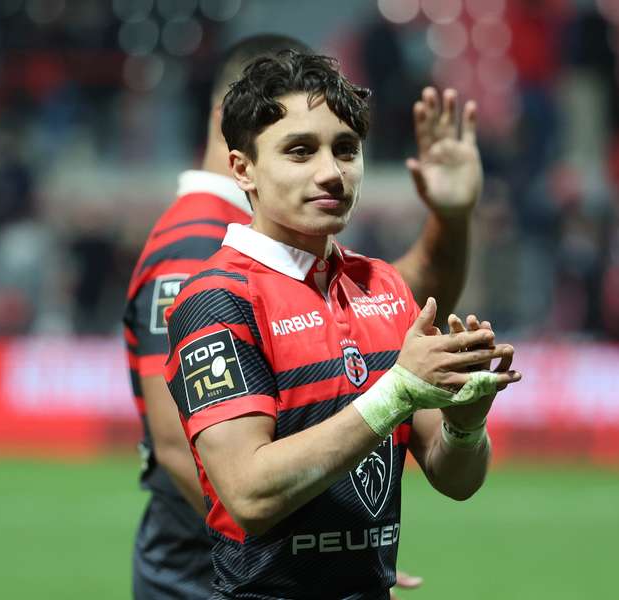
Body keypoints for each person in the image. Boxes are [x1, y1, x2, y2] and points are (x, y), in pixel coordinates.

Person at [124, 34, 480, 599]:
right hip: (203, 573)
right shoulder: (206, 273)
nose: (332, 172)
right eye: (299, 150)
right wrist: (399, 392)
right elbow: (234, 484)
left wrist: (467, 422)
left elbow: (455, 474)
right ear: (244, 164)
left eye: (346, 148)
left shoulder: (380, 283)